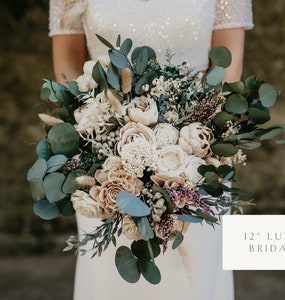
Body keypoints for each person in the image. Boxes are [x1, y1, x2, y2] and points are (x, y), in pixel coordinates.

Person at [49, 1, 253, 299]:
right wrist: (104, 131)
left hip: (197, 155)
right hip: (105, 164)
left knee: (193, 278)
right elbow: (67, 72)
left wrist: (189, 140)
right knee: (112, 280)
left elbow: (228, 71)